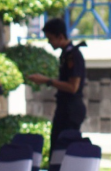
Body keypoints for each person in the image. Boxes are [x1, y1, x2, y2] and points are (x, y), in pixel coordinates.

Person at [27, 18, 87, 146]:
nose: (49, 42)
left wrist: (47, 80)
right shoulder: (66, 55)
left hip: (70, 110)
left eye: (50, 39)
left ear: (60, 36)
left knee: (63, 148)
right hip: (65, 108)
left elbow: (73, 87)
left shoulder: (73, 55)